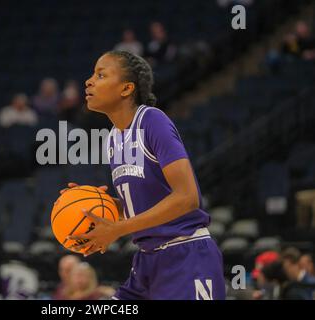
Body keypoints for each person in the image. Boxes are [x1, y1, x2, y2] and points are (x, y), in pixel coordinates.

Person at [64, 51, 225, 300]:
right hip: (147, 262)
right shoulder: (113, 139)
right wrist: (95, 204)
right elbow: (142, 205)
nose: (89, 81)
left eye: (101, 74)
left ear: (126, 88)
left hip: (185, 255)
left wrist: (118, 229)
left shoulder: (152, 121)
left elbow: (187, 198)